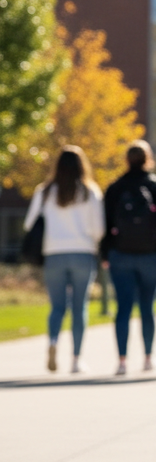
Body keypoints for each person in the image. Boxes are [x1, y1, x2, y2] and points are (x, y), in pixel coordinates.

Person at [24, 146, 104, 374]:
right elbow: (98, 229)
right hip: (82, 253)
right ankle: (77, 359)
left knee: (57, 306)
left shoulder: (45, 191)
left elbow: (29, 224)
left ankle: (52, 342)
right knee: (80, 308)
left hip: (53, 254)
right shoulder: (89, 191)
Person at [101, 140, 156, 375]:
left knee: (123, 307)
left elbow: (104, 224)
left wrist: (105, 254)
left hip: (120, 254)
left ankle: (122, 361)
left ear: (127, 160)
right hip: (151, 255)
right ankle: (148, 357)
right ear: (148, 159)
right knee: (147, 307)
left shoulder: (114, 188)